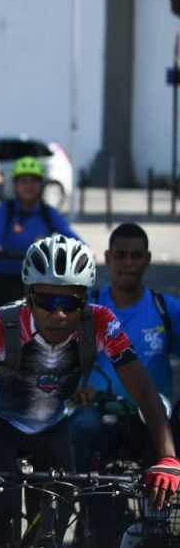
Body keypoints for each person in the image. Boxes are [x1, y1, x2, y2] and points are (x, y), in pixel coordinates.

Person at [0, 235, 180, 548]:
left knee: (58, 514)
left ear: (85, 300)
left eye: (71, 302)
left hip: (51, 424)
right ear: (28, 295)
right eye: (47, 301)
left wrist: (167, 458)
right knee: (0, 509)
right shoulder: (0, 323)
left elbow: (144, 390)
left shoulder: (101, 322)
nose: (59, 314)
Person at [70, 223, 180, 547]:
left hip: (154, 414)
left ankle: (158, 518)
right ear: (107, 258)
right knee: (83, 428)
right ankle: (96, 521)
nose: (128, 263)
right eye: (120, 255)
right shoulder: (87, 310)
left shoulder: (166, 309)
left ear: (147, 260)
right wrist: (74, 389)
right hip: (99, 411)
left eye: (135, 256)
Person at [0, 157, 80, 307]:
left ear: (41, 185)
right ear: (15, 185)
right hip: (6, 278)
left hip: (39, 280)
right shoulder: (6, 210)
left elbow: (68, 233)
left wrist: (85, 249)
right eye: (23, 181)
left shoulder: (48, 212)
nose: (29, 186)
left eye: (34, 181)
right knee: (7, 322)